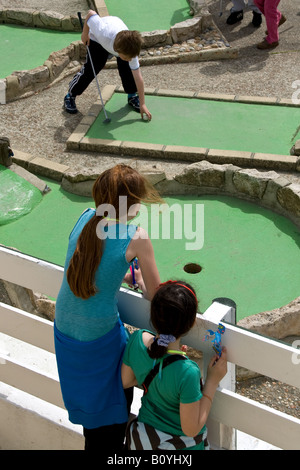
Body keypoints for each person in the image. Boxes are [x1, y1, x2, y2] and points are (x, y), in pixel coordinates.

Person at [54, 164, 162, 451]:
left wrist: (124, 275)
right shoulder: (136, 236)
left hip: (65, 331)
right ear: (133, 203)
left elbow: (90, 264)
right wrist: (138, 277)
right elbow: (157, 295)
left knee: (93, 418)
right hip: (96, 338)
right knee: (111, 420)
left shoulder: (85, 218)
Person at [121, 280, 228, 450]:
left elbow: (126, 381)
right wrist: (212, 382)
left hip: (144, 442)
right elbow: (191, 429)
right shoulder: (187, 372)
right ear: (191, 322)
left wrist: (151, 371)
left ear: (153, 314)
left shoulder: (137, 340)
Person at [63, 10, 152, 120]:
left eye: (130, 58)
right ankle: (70, 95)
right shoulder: (103, 32)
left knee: (127, 69)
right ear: (118, 51)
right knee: (92, 69)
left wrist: (143, 103)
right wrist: (85, 33)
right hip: (98, 41)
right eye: (126, 57)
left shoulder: (130, 51)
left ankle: (132, 95)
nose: (130, 59)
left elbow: (138, 78)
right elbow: (91, 13)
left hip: (117, 34)